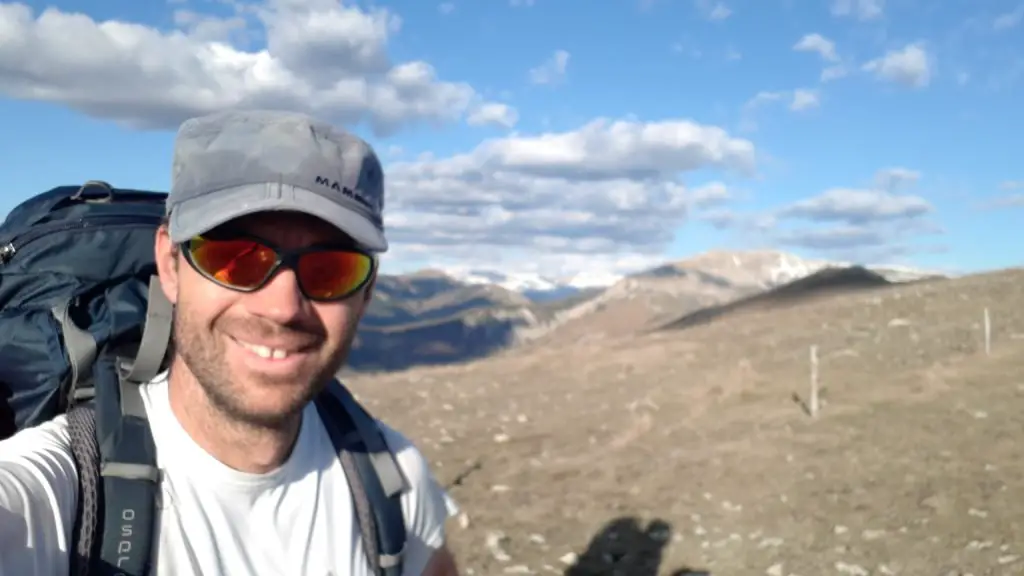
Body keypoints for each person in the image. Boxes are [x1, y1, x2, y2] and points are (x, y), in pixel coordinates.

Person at [0, 110, 460, 576]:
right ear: (170, 265)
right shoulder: (59, 493)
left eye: (331, 268)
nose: (282, 307)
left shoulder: (393, 479)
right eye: (233, 259)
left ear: (367, 292)